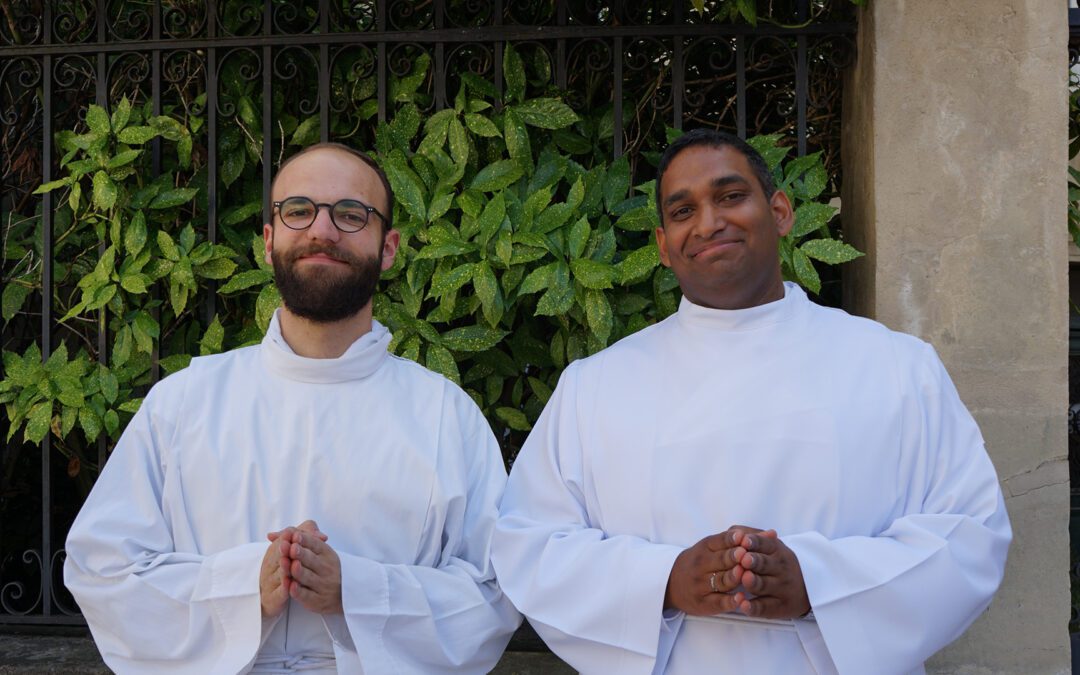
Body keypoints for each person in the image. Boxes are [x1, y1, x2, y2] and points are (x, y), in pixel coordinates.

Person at [490, 129, 1011, 675]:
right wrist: (666, 580)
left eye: (730, 196)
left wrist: (816, 583)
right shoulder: (595, 385)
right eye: (683, 210)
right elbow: (530, 545)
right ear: (664, 248)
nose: (709, 222)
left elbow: (970, 532)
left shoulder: (898, 367)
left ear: (780, 211)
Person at [64, 142, 520, 674]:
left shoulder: (446, 416)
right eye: (298, 210)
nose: (321, 230)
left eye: (351, 214)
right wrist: (242, 589)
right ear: (268, 238)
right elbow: (103, 567)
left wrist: (357, 592)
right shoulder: (184, 401)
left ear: (389, 247)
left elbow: (494, 591)